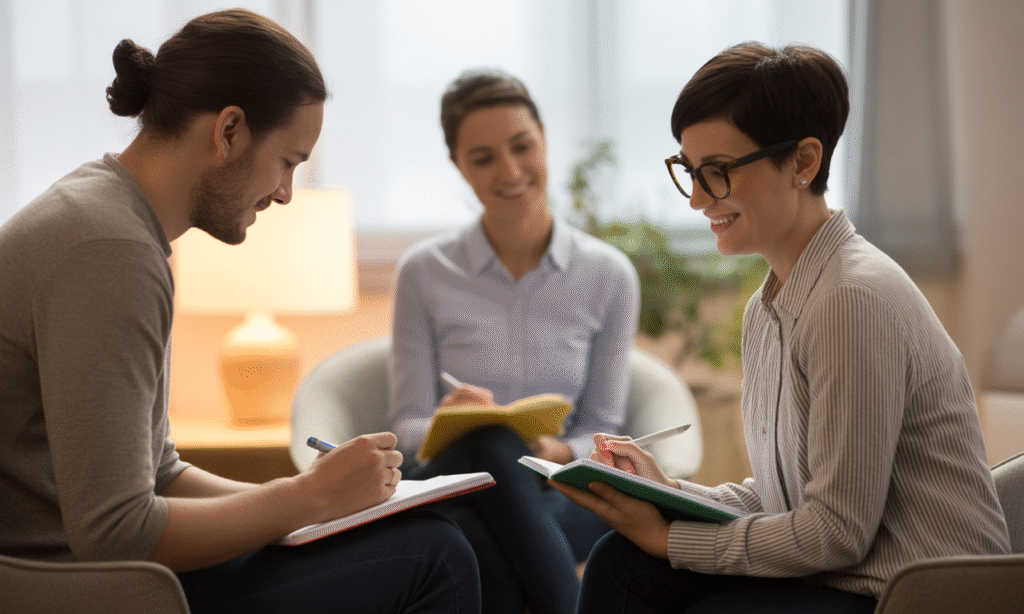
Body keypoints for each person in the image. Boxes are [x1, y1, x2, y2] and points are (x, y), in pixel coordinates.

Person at [0, 9, 480, 613]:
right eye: (288, 162)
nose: (284, 192)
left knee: (415, 536)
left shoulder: (111, 219)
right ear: (228, 131)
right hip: (62, 586)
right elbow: (116, 533)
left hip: (87, 566)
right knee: (436, 555)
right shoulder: (110, 250)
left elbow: (161, 472)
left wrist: (316, 500)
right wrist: (307, 501)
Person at [551, 42, 1011, 613]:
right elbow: (782, 499)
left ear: (802, 162)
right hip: (844, 574)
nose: (697, 199)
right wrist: (667, 493)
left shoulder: (851, 299)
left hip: (913, 593)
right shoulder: (770, 307)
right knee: (621, 562)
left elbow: (837, 532)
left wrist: (672, 537)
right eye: (689, 172)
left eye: (717, 173)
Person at [388, 69, 640, 614]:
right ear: (459, 166)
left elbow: (603, 427)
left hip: (556, 486)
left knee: (473, 535)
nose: (510, 171)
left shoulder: (609, 275)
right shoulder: (423, 272)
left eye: (522, 146)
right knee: (488, 446)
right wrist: (445, 422)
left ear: (544, 138)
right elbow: (407, 428)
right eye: (482, 158)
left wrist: (549, 452)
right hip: (453, 475)